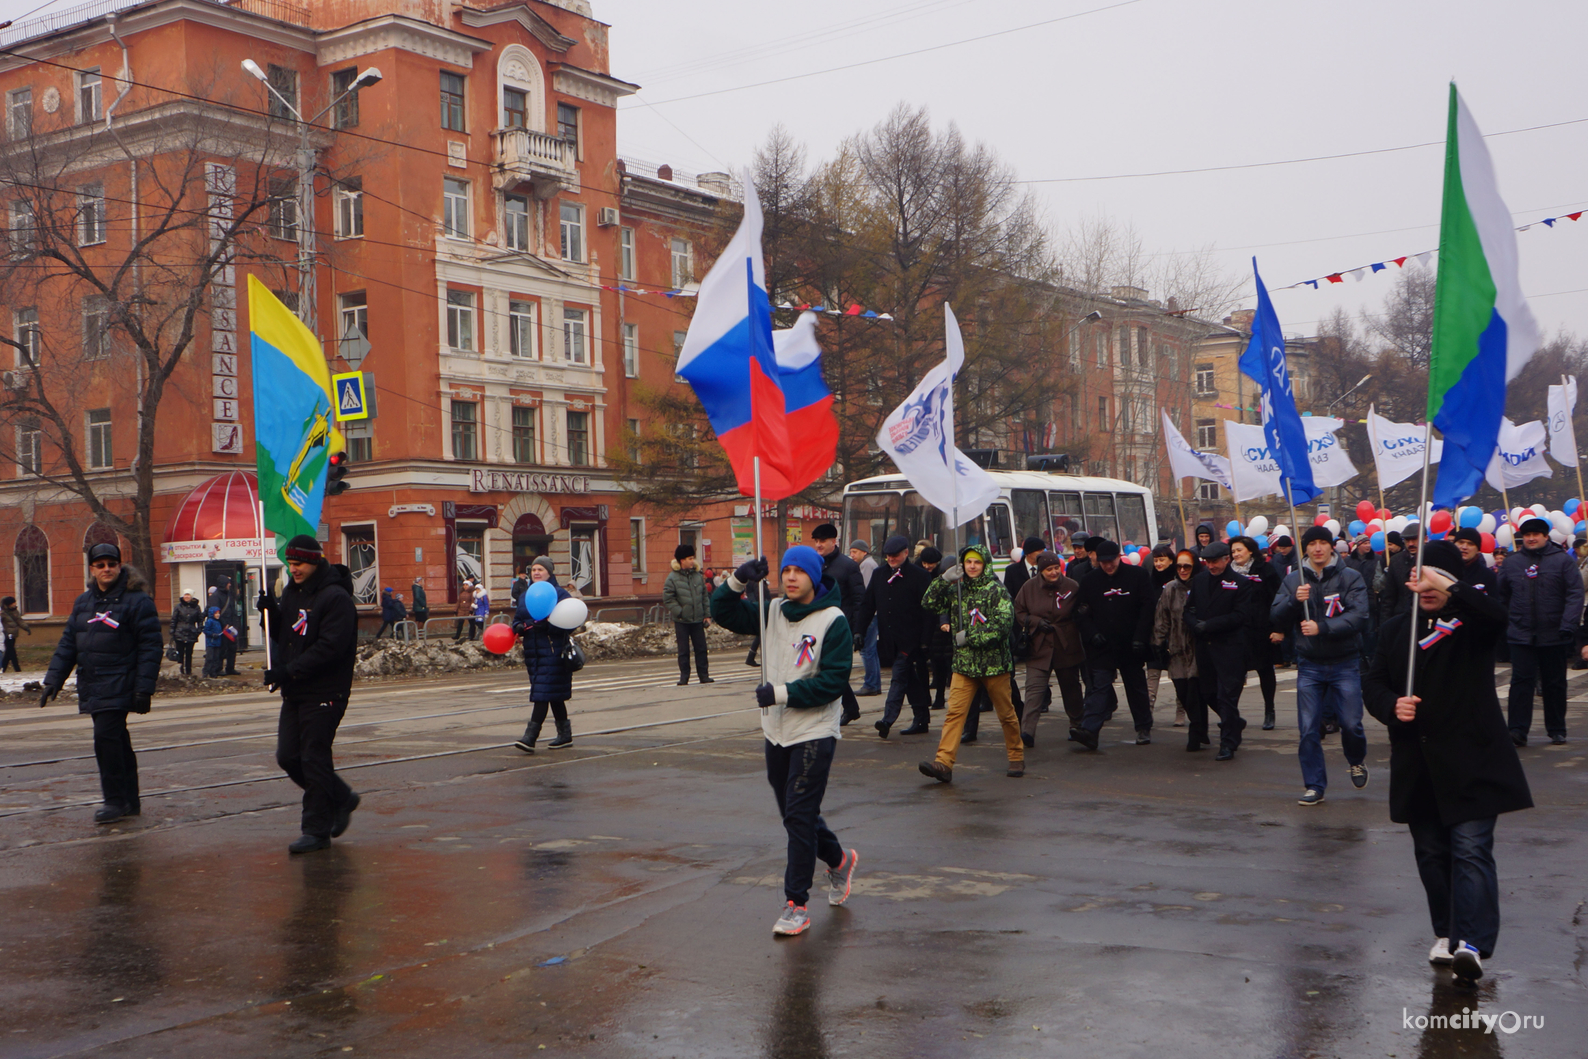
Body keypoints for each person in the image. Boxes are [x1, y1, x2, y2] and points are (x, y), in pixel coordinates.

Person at [1363, 541, 1533, 982]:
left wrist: (1452, 585)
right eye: (1422, 575)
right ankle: (1447, 932)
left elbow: (1497, 616)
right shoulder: (1396, 629)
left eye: (1437, 576)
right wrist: (1390, 706)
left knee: (1471, 850)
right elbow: (1374, 680)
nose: (1428, 585)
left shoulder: (1472, 622)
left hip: (1472, 758)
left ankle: (1473, 944)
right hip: (1418, 763)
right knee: (1433, 854)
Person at [711, 547, 859, 936]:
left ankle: (796, 903)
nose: (791, 577)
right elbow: (722, 613)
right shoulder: (772, 610)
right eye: (786, 570)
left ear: (814, 577)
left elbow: (833, 683)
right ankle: (838, 859)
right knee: (796, 815)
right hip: (776, 733)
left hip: (814, 731)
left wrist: (780, 693)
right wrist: (738, 580)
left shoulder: (833, 620)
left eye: (799, 571)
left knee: (797, 816)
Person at [40, 542, 162, 825]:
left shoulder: (137, 600)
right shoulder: (84, 602)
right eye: (100, 565)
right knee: (117, 741)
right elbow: (69, 642)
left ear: (120, 566)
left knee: (105, 739)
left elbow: (151, 646)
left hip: (122, 682)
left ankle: (114, 800)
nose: (107, 569)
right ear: (92, 569)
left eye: (112, 563)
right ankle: (130, 800)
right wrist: (53, 680)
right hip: (93, 683)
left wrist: (144, 688)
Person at [257, 535, 361, 854]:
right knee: (288, 756)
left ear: (314, 561)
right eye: (290, 563)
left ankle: (316, 830)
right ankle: (341, 797)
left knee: (313, 757)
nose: (293, 569)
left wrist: (288, 670)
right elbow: (288, 635)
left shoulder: (336, 598)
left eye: (298, 563)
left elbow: (330, 647)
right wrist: (270, 615)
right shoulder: (292, 591)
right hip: (297, 689)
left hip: (326, 690)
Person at [1271, 525, 1372, 804]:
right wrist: (1294, 601)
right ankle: (1315, 785)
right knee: (1308, 728)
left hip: (1344, 662)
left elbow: (1359, 616)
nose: (1317, 548)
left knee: (1351, 724)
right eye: (1312, 543)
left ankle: (1356, 759)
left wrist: (1323, 627)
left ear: (1331, 547)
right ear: (1306, 548)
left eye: (1322, 543)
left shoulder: (1350, 577)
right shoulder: (1295, 580)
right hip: (1310, 664)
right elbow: (1276, 616)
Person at [916, 543, 1024, 782]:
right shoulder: (957, 590)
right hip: (964, 665)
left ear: (984, 564)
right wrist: (943, 580)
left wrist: (970, 637)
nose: (972, 566)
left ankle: (1016, 755)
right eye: (968, 562)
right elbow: (928, 603)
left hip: (994, 665)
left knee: (1006, 714)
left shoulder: (997, 591)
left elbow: (1003, 626)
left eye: (976, 562)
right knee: (954, 714)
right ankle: (943, 763)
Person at [1496, 516, 1582, 746]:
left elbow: (1574, 594)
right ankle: (1517, 730)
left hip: (1554, 633)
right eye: (1527, 535)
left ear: (1546, 536)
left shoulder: (1563, 561)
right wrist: (1505, 623)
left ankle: (1556, 728)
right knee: (1521, 682)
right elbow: (1501, 596)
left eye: (1536, 535)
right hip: (1520, 633)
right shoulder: (1512, 562)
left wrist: (1568, 624)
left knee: (1554, 683)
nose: (1531, 539)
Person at [1070, 538, 1160, 750]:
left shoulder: (1137, 576)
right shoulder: (1090, 580)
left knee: (1135, 687)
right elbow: (1079, 612)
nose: (1108, 566)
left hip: (1131, 644)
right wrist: (1092, 635)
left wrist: (1140, 637)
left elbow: (1148, 609)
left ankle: (1143, 727)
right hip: (1102, 646)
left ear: (1119, 558)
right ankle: (1089, 730)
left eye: (1111, 561)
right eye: (1103, 562)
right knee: (1098, 687)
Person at [855, 535, 934, 738]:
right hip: (889, 640)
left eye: (895, 555)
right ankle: (922, 718)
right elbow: (867, 605)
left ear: (906, 553)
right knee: (910, 679)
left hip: (912, 639)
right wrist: (859, 631)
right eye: (888, 556)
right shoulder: (880, 574)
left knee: (898, 677)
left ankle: (887, 720)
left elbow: (928, 611)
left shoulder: (919, 576)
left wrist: (925, 640)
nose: (891, 559)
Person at [1187, 541, 1259, 760]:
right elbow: (1188, 609)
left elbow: (1241, 616)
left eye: (1215, 561)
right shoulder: (1199, 580)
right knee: (1208, 693)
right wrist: (1194, 625)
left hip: (1229, 649)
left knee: (1226, 696)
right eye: (1207, 562)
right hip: (1205, 648)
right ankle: (1234, 723)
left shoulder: (1240, 583)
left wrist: (1210, 625)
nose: (1211, 566)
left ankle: (1228, 743)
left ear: (1226, 559)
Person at [1013, 551, 1083, 746]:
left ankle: (1077, 725)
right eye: (1048, 569)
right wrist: (1034, 622)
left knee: (1071, 688)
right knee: (1034, 690)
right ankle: (1027, 732)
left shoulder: (1071, 586)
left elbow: (1080, 609)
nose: (1053, 572)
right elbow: (1018, 610)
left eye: (1056, 568)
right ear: (1041, 571)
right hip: (1039, 645)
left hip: (1065, 643)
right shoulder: (1028, 588)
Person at [512, 556, 576, 753]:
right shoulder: (525, 595)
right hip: (533, 653)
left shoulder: (560, 594)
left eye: (541, 569)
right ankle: (565, 735)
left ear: (550, 572)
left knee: (542, 693)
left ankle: (530, 737)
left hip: (554, 651)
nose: (536, 573)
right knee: (553, 695)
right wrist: (519, 627)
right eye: (533, 570)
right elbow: (516, 620)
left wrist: (547, 625)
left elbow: (570, 622)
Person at [810, 523, 866, 725]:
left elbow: (860, 599)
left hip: (842, 627)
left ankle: (847, 708)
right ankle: (849, 708)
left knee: (833, 669)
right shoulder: (814, 564)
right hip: (818, 626)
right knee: (820, 669)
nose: (818, 545)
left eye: (822, 541)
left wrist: (859, 630)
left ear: (834, 541)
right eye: (816, 541)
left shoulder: (848, 566)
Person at [1153, 550, 1208, 751]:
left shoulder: (1202, 585)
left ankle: (1195, 732)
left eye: (1187, 566)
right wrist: (1158, 643)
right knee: (1182, 691)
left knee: (1195, 691)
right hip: (1176, 648)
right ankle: (1202, 729)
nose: (1183, 570)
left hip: (1197, 646)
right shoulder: (1170, 588)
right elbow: (1162, 617)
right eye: (1179, 566)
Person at [1230, 536, 1281, 730]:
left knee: (1265, 671)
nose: (1236, 554)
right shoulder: (1228, 573)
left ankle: (1269, 710)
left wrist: (1278, 628)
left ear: (1250, 550)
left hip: (1261, 629)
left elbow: (1277, 598)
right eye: (1233, 551)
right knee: (1234, 675)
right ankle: (1231, 713)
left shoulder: (1264, 570)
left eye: (1239, 550)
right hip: (1236, 631)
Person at [663, 544, 715, 686]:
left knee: (701, 649)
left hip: (697, 619)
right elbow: (668, 598)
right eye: (689, 558)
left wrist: (707, 615)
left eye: (693, 558)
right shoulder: (672, 578)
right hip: (682, 621)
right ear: (681, 560)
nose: (692, 561)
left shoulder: (697, 576)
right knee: (683, 650)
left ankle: (704, 675)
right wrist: (679, 612)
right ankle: (684, 677)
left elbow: (705, 596)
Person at [917, 546, 953, 711]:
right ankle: (937, 697)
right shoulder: (919, 573)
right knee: (937, 663)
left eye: (930, 563)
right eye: (924, 563)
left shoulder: (943, 576)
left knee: (946, 663)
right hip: (930, 625)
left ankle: (944, 696)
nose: (927, 566)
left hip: (942, 625)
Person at [1146, 544, 1179, 723]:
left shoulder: (1177, 580)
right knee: (1152, 674)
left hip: (1176, 635)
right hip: (1155, 634)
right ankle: (1148, 711)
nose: (1158, 563)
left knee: (1177, 676)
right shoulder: (1150, 581)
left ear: (1171, 560)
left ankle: (1181, 711)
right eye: (1156, 560)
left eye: (1162, 560)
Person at [849, 539, 882, 696]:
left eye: (855, 552)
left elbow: (865, 592)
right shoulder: (867, 564)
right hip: (872, 614)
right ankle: (874, 683)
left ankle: (871, 684)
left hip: (869, 615)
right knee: (871, 650)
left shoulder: (867, 565)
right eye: (851, 552)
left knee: (866, 650)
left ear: (864, 552)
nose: (852, 555)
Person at [1449, 528, 1497, 593]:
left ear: (1478, 550)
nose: (1464, 547)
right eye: (1461, 542)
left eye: (1470, 544)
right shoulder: (1444, 571)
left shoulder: (1488, 576)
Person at [169, 589, 202, 675]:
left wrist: (198, 631)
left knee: (189, 654)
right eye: (185, 595)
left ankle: (188, 671)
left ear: (191, 596)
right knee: (180, 653)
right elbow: (174, 619)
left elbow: (200, 620)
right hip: (179, 632)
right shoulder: (178, 607)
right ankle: (180, 671)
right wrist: (172, 631)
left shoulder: (196, 607)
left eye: (188, 595)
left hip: (191, 633)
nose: (186, 597)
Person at [2, 594, 32, 672]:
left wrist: (26, 628)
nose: (14, 604)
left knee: (9, 652)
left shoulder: (15, 611)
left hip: (14, 633)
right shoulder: (2, 613)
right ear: (8, 604)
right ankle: (17, 669)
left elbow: (19, 620)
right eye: (12, 603)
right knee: (11, 651)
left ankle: (3, 668)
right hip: (6, 634)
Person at [202, 605, 226, 677]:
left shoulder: (218, 622)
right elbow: (206, 630)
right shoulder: (210, 621)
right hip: (211, 643)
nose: (218, 615)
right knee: (209, 658)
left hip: (217, 643)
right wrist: (212, 635)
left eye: (218, 613)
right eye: (216, 613)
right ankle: (205, 672)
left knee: (216, 658)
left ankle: (213, 672)